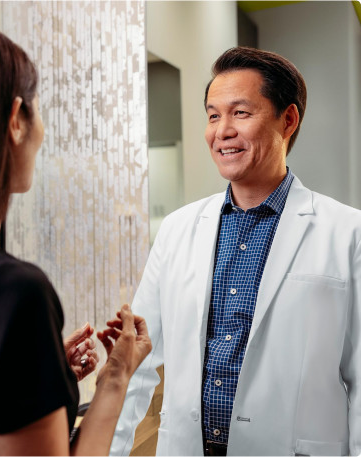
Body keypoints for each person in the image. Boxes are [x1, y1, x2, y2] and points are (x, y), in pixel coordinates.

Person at [0, 19, 151, 456]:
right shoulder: (10, 293)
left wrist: (38, 375)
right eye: (38, 109)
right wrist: (116, 376)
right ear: (16, 120)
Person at [110, 46, 361, 456]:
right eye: (213, 116)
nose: (222, 131)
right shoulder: (177, 229)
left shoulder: (348, 233)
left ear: (288, 120)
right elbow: (137, 361)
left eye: (240, 113)